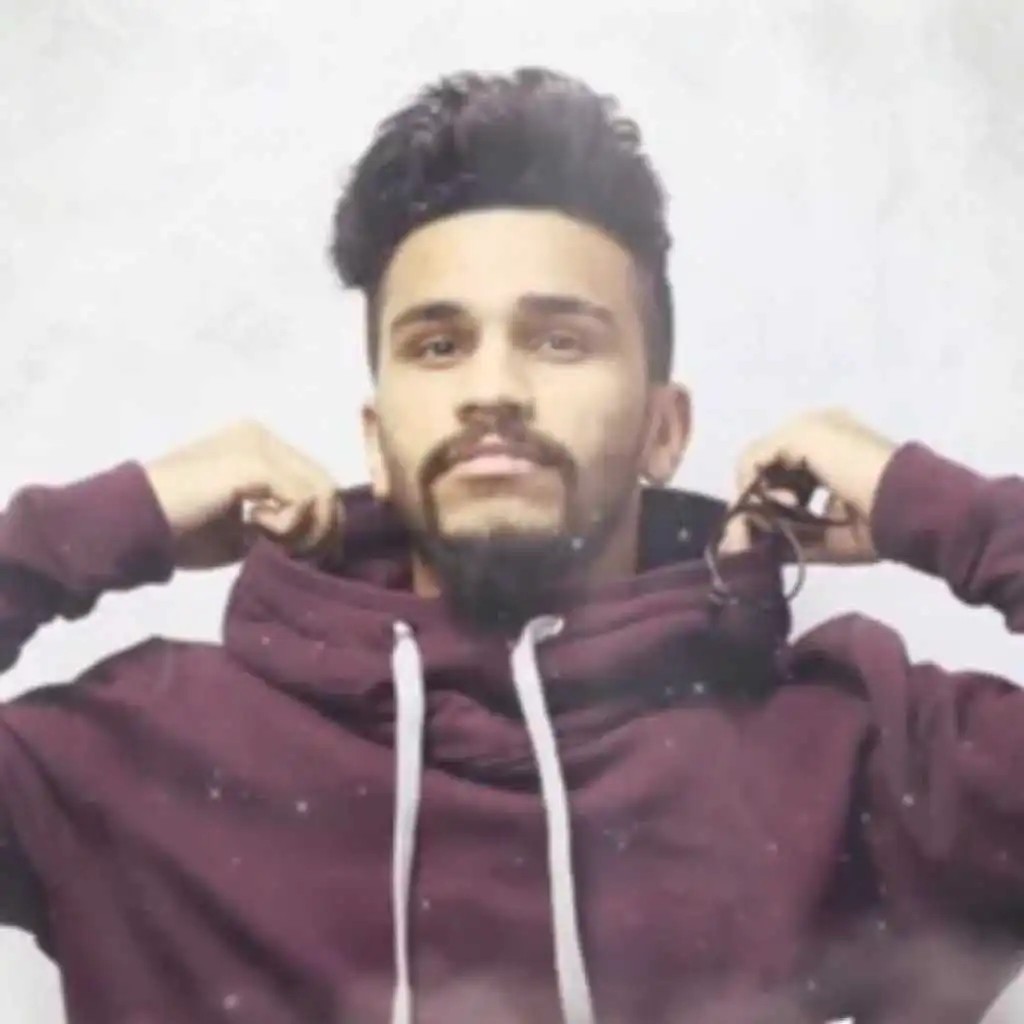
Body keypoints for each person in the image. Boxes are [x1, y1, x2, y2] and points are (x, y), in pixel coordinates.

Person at [1, 67, 1022, 1024]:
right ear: (376, 440)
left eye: (560, 339)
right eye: (438, 345)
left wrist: (935, 507)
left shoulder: (845, 748)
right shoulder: (143, 754)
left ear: (664, 429)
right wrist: (90, 526)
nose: (492, 389)